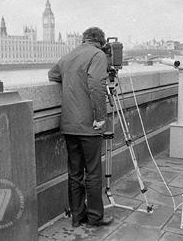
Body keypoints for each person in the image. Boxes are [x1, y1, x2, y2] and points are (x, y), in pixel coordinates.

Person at [48, 27, 113, 228]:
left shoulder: (68, 56)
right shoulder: (98, 55)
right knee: (93, 171)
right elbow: (96, 86)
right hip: (89, 125)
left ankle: (77, 216)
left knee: (74, 172)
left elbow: (52, 75)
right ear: (101, 42)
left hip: (69, 124)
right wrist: (100, 118)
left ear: (84, 39)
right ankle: (95, 217)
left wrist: (72, 78)